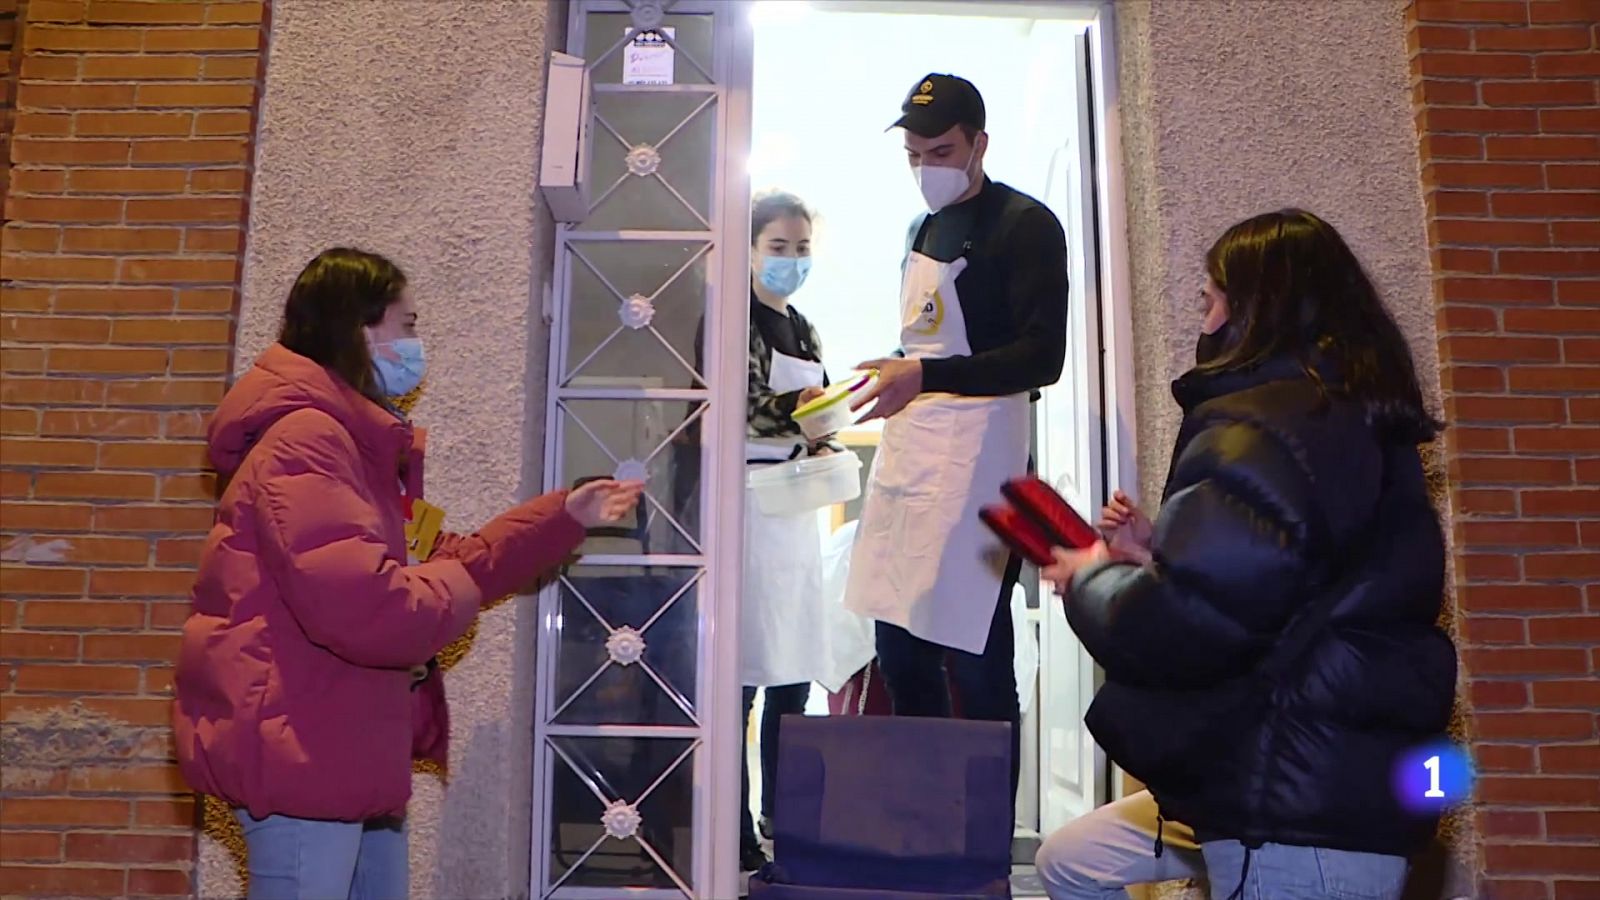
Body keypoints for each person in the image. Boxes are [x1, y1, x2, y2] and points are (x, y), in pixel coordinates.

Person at [172, 248, 642, 900]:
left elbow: (447, 557)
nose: (417, 344)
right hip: (305, 750)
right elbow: (369, 606)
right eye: (409, 324)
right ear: (361, 329)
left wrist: (563, 516)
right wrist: (451, 592)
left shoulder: (356, 450)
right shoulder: (308, 440)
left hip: (340, 745)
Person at [1037, 210, 1455, 900]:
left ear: (1253, 305)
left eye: (1207, 299)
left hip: (1292, 794)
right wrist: (1155, 554)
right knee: (1073, 860)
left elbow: (1183, 624)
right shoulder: (1339, 413)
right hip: (1312, 777)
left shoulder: (1265, 423)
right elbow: (1276, 593)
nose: (1202, 322)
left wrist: (1091, 577)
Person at [842, 73, 1068, 808]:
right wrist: (899, 374)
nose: (926, 168)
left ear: (979, 143)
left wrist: (927, 372)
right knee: (898, 645)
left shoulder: (1026, 226)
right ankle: (922, 822)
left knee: (974, 653)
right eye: (913, 154)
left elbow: (1043, 358)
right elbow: (930, 342)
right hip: (916, 453)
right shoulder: (922, 232)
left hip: (984, 461)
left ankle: (984, 846)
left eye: (940, 150)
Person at [736, 190, 865, 873]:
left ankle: (783, 816)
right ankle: (731, 824)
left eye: (801, 248)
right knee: (744, 672)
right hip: (749, 509)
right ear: (750, 248)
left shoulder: (805, 328)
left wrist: (823, 431)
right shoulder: (738, 320)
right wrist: (809, 417)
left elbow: (820, 415)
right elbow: (746, 407)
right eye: (777, 247)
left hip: (797, 509)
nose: (790, 261)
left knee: (792, 669)